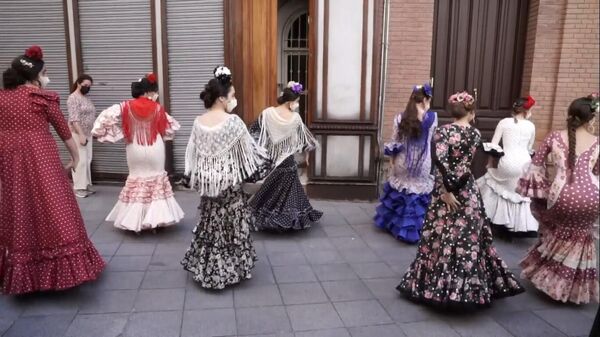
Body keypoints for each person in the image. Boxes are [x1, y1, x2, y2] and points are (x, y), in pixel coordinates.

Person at [397, 91, 524, 308]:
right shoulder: (474, 134)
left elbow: (441, 162)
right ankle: (466, 288)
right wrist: (455, 186)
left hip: (445, 191)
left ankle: (435, 286)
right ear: (472, 113)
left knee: (441, 235)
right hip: (467, 190)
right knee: (469, 236)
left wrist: (446, 190)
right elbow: (468, 163)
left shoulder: (442, 132)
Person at [0, 46, 105, 294]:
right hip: (41, 157)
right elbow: (64, 130)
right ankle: (63, 266)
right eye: (45, 73)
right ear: (34, 76)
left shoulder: (2, 98)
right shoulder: (42, 97)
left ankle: (23, 268)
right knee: (55, 205)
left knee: (19, 207)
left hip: (10, 158)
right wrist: (75, 157)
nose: (47, 78)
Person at [182, 66, 269, 289]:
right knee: (231, 226)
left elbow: (192, 155)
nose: (234, 99)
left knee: (210, 224)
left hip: (209, 186)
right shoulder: (233, 123)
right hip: (229, 184)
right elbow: (249, 154)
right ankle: (231, 269)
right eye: (232, 96)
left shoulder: (198, 122)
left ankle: (209, 268)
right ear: (221, 98)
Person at [517, 94, 599, 304]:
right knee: (582, 237)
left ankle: (551, 281)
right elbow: (596, 171)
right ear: (592, 118)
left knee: (558, 232)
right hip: (593, 196)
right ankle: (572, 287)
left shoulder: (554, 137)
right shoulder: (598, 142)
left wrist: (544, 191)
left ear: (569, 115)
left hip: (563, 193)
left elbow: (535, 166)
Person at [92, 72, 184, 233]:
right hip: (155, 147)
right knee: (155, 181)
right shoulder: (157, 108)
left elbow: (103, 120)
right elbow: (170, 129)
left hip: (134, 147)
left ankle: (136, 222)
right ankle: (155, 221)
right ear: (149, 92)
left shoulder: (124, 106)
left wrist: (120, 134)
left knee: (137, 180)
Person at [249, 81, 321, 231]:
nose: (297, 105)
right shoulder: (295, 119)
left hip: (271, 159)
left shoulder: (267, 113)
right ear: (290, 102)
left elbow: (254, 132)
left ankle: (271, 216)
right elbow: (304, 139)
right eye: (296, 102)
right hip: (287, 159)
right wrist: (307, 154)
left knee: (273, 188)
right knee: (289, 190)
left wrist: (260, 151)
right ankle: (288, 218)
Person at [374, 83, 437, 243]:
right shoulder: (433, 118)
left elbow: (395, 142)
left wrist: (391, 161)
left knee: (401, 191)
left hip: (403, 160)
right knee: (417, 194)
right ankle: (415, 229)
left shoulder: (400, 117)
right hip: (423, 162)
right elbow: (432, 140)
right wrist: (427, 108)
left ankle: (395, 225)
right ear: (426, 99)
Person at [477, 96, 539, 236]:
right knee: (517, 193)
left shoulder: (504, 122)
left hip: (508, 162)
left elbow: (494, 145)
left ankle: (495, 219)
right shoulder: (531, 126)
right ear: (526, 111)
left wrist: (490, 163)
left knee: (494, 183)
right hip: (524, 163)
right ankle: (515, 225)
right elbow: (529, 147)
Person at [67, 74, 96, 198]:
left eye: (89, 86)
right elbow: (74, 119)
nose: (87, 87)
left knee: (88, 159)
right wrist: (81, 135)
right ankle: (78, 187)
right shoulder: (73, 98)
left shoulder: (85, 98)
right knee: (80, 160)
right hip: (78, 133)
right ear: (78, 83)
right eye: (85, 85)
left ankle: (86, 184)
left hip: (88, 133)